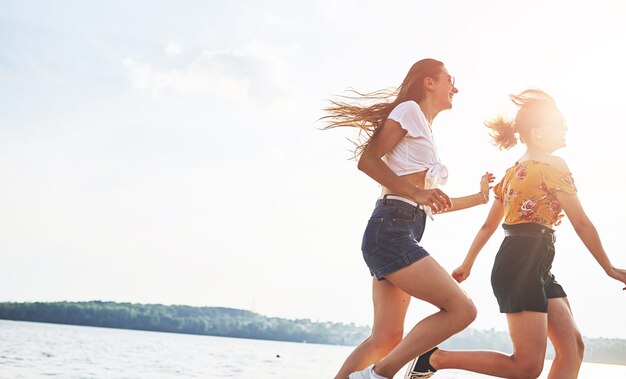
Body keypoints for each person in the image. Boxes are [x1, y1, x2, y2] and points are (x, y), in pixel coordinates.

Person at [405, 89, 626, 379]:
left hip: (534, 262)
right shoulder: (551, 166)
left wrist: (468, 263)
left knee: (573, 346)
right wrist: (608, 268)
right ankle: (434, 358)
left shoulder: (512, 172)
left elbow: (489, 226)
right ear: (537, 133)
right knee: (527, 368)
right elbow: (581, 223)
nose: (565, 129)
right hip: (521, 263)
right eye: (558, 124)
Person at [322, 58, 494, 379]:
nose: (455, 87)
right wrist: (416, 195)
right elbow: (368, 160)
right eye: (449, 80)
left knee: (386, 337)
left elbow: (429, 202)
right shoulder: (409, 111)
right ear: (429, 82)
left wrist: (480, 197)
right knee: (462, 310)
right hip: (391, 229)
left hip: (402, 227)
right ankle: (379, 374)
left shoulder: (424, 127)